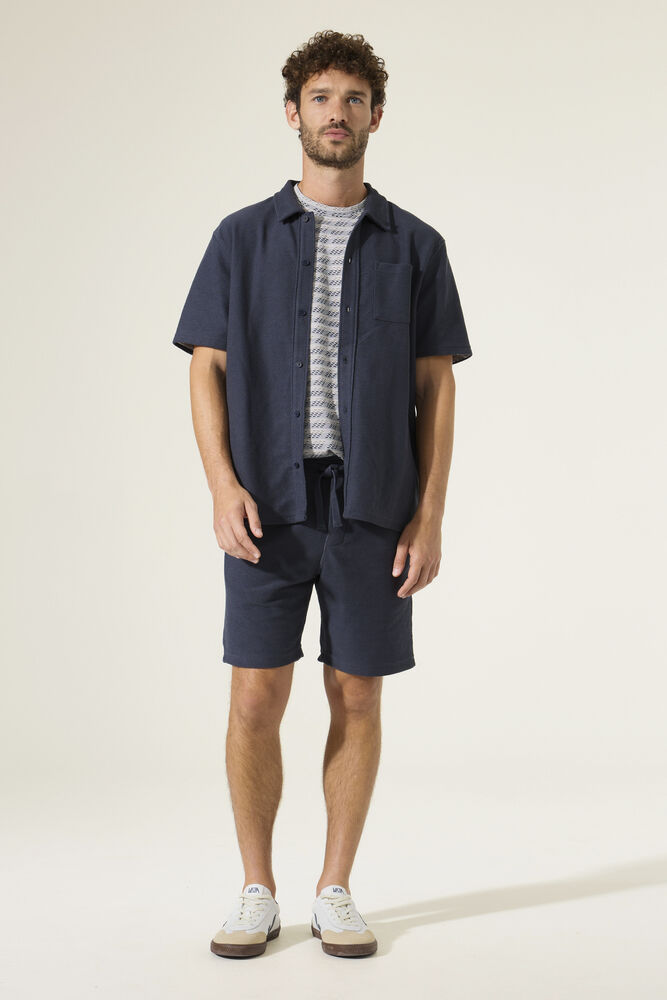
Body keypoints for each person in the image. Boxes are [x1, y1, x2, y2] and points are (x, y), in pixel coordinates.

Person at [171, 29, 473, 960]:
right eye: (319, 97)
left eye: (352, 99)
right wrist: (221, 485)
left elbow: (436, 384)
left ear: (376, 116)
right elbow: (205, 366)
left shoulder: (415, 246)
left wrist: (429, 513)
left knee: (358, 696)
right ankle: (256, 889)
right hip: (266, 501)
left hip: (373, 505)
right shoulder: (240, 237)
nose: (335, 113)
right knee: (254, 697)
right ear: (292, 112)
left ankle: (335, 888)